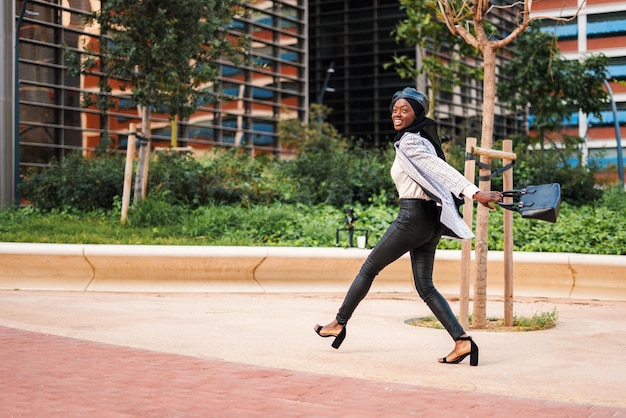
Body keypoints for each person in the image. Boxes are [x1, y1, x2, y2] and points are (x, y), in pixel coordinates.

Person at [314, 87, 503, 367]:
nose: (397, 114)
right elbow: (436, 173)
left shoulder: (412, 142)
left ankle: (339, 323)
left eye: (405, 110)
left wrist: (474, 192)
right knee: (425, 285)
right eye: (395, 109)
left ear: (417, 114)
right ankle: (462, 341)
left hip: (413, 217)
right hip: (431, 221)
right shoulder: (420, 140)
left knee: (369, 268)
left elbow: (440, 170)